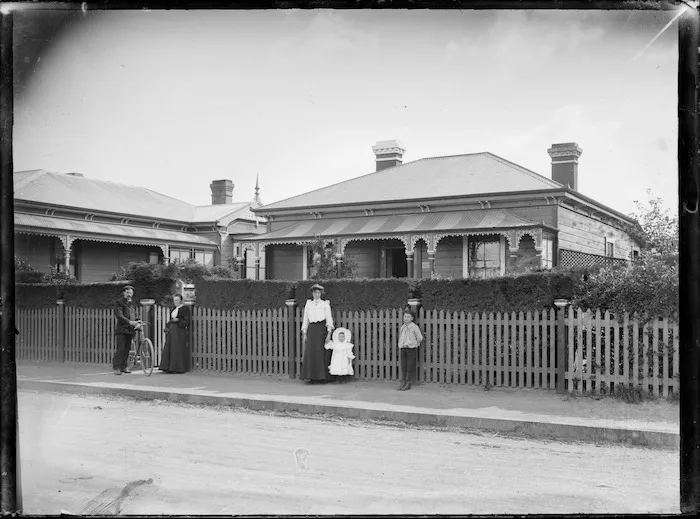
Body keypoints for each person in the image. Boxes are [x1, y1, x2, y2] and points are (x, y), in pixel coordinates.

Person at [300, 284, 334, 383]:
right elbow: (305, 319)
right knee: (311, 353)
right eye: (315, 292)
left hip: (321, 329)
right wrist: (305, 333)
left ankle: (322, 378)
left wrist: (328, 333)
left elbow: (329, 318)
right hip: (312, 329)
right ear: (312, 293)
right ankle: (312, 377)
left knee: (321, 353)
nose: (317, 294)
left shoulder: (325, 304)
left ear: (321, 293)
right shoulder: (309, 304)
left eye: (319, 292)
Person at [159, 293, 191, 374]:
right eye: (174, 300)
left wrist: (178, 321)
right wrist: (167, 326)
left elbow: (187, 321)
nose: (175, 302)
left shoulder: (185, 308)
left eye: (177, 300)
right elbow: (171, 319)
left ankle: (177, 368)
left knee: (177, 349)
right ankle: (168, 367)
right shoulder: (174, 308)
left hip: (179, 331)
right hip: (172, 331)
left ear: (181, 300)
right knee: (169, 348)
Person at [113, 285, 140, 376]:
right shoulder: (119, 302)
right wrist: (129, 322)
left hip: (130, 330)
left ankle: (123, 367)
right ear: (124, 293)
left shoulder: (132, 303)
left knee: (127, 349)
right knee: (121, 349)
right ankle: (117, 368)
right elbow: (119, 316)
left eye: (131, 293)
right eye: (127, 292)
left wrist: (137, 321)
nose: (129, 294)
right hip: (122, 329)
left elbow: (134, 315)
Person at [397, 308, 423, 391]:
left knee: (410, 366)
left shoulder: (414, 327)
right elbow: (401, 337)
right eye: (405, 316)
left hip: (411, 349)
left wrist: (415, 344)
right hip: (403, 348)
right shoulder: (402, 327)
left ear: (412, 318)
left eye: (408, 317)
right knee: (403, 366)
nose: (406, 318)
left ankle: (408, 382)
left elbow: (419, 337)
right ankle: (403, 381)